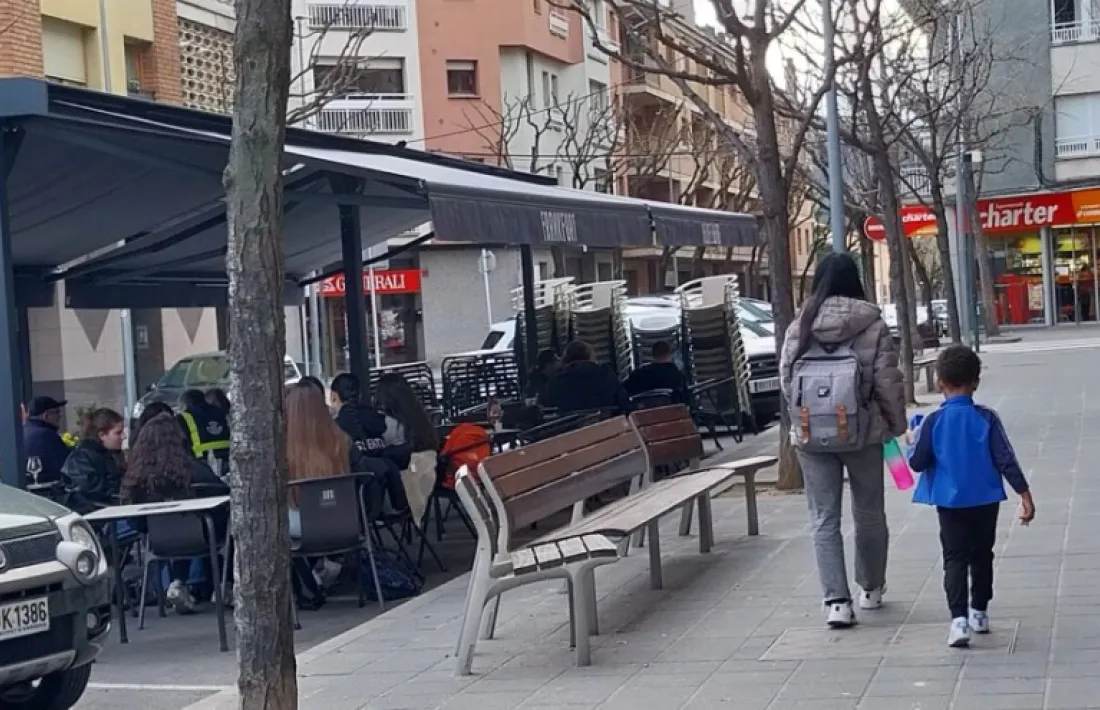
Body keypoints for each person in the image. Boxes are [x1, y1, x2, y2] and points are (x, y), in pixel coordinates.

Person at [779, 252, 907, 628]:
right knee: (869, 513)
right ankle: (870, 589)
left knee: (823, 518)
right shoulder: (872, 324)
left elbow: (788, 381)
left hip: (810, 436)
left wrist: (804, 420)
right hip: (864, 433)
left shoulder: (800, 324)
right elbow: (887, 381)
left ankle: (836, 602)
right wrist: (895, 426)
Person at [907, 345, 1035, 647]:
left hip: (949, 503)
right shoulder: (988, 418)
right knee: (982, 554)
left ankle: (959, 620)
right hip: (985, 499)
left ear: (939, 383)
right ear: (975, 382)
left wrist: (912, 441)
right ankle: (980, 611)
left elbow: (917, 463)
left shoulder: (933, 422)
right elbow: (1006, 459)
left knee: (954, 557)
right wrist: (1024, 494)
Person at [285, 382, 383, 609]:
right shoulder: (343, 441)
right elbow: (366, 477)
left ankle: (305, 586)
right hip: (344, 522)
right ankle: (326, 570)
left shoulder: (281, 448)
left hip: (301, 527)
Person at [121, 412, 229, 613]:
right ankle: (225, 584)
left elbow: (135, 522)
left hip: (158, 543)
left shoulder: (137, 479)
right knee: (224, 525)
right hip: (202, 537)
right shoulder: (195, 471)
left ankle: (178, 582)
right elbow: (224, 497)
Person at [330, 372, 410, 512]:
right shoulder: (378, 420)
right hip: (390, 497)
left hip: (359, 502)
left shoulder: (337, 427)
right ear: (359, 395)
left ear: (334, 396)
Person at [61, 408, 127, 514]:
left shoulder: (110, 454)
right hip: (99, 517)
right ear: (101, 435)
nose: (124, 436)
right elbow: (90, 490)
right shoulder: (81, 457)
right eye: (118, 433)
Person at [541, 340, 632, 415]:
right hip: (607, 429)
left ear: (565, 359)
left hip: (569, 431)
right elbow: (624, 403)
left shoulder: (555, 382)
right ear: (590, 357)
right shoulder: (606, 375)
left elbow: (546, 408)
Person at [22, 396, 70, 487]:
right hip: (48, 491)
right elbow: (65, 468)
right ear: (46, 416)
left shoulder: (20, 433)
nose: (60, 416)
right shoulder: (47, 435)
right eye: (57, 412)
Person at [177, 389, 230, 469]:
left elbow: (182, 442)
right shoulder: (220, 410)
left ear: (184, 404)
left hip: (202, 460)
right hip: (228, 456)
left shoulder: (182, 417)